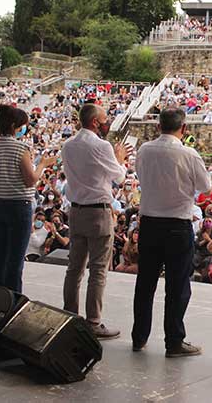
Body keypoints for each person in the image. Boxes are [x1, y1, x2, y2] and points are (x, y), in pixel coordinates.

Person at [133, 108, 211, 358]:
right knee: (177, 286)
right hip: (178, 225)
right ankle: (174, 341)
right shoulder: (188, 154)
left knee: (145, 282)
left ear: (158, 127)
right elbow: (206, 187)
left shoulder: (144, 150)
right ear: (184, 128)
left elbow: (139, 175)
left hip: (150, 223)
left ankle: (139, 336)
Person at [62, 104, 128, 339]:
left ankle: (69, 316)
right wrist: (120, 159)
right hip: (98, 212)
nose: (107, 122)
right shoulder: (101, 146)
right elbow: (119, 177)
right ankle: (93, 322)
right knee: (98, 269)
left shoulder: (68, 145)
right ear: (94, 122)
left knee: (74, 268)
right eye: (104, 119)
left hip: (76, 211)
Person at [0, 105, 56, 294]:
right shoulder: (20, 148)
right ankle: (12, 299)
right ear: (16, 126)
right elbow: (30, 180)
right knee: (16, 258)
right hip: (18, 205)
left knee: (0, 255)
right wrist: (42, 164)